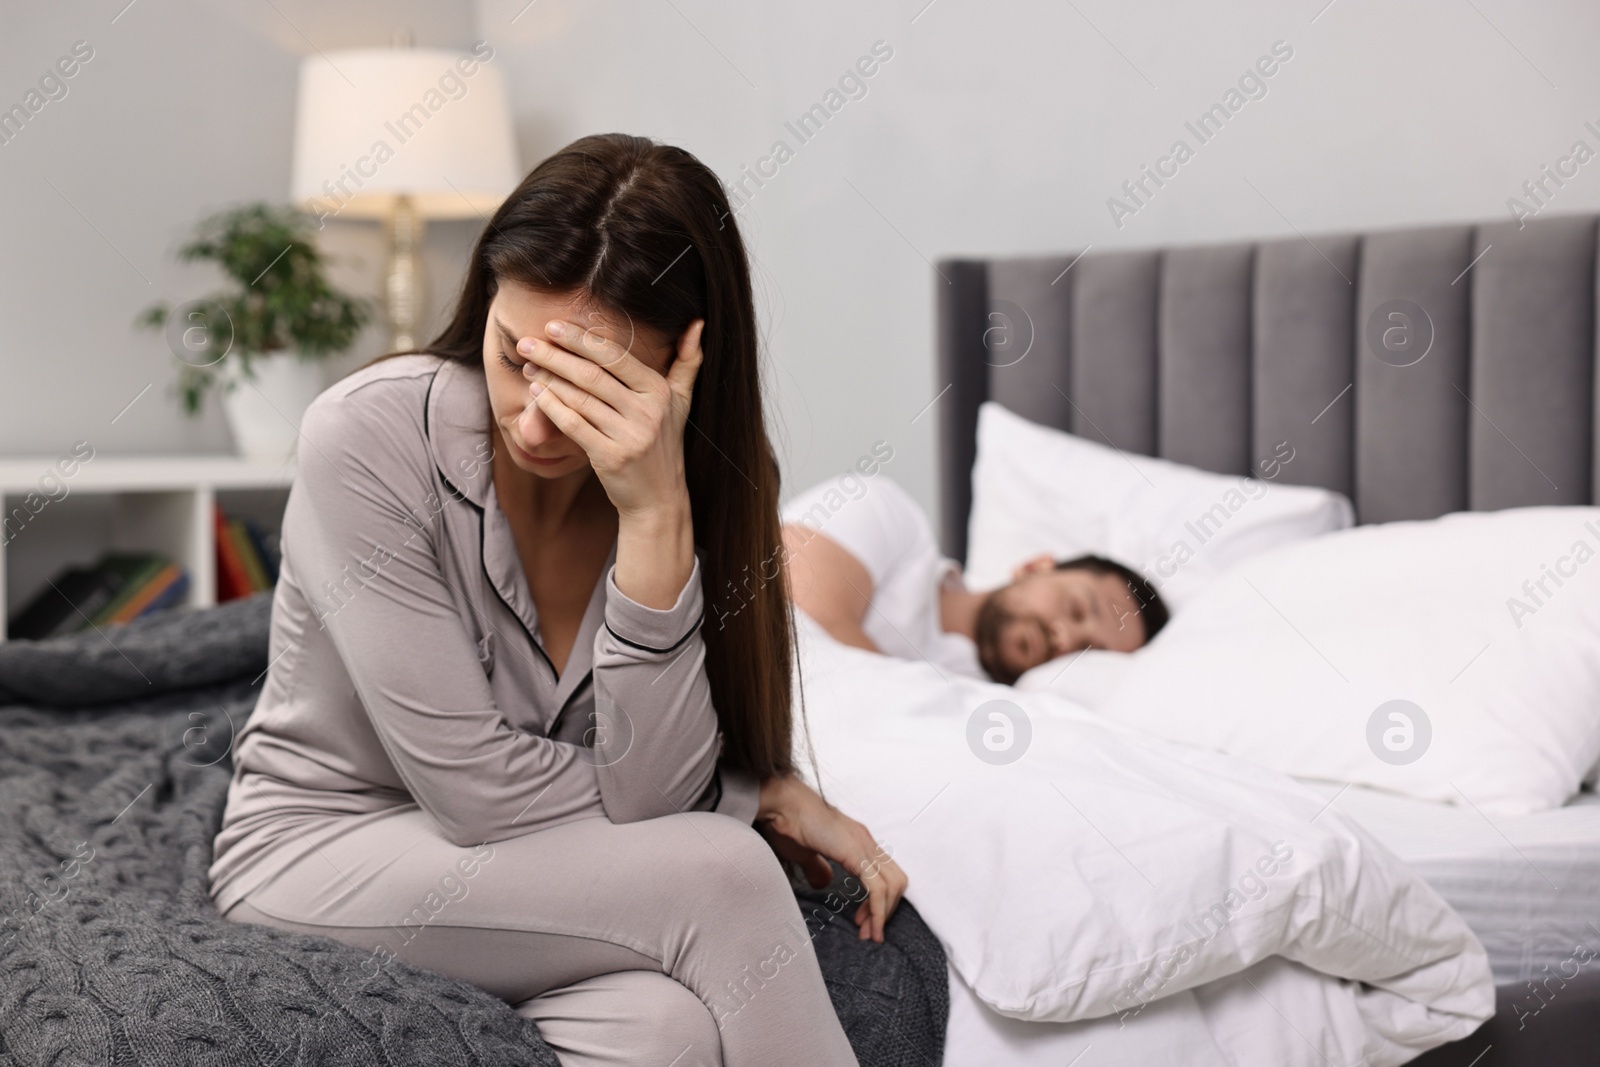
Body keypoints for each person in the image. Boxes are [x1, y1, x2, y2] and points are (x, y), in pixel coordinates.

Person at [208, 133, 905, 1067]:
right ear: (488, 301)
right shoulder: (366, 435)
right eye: (515, 357)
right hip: (318, 848)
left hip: (523, 879)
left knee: (667, 1031)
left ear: (680, 371)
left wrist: (655, 515)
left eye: (591, 387)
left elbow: (651, 795)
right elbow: (475, 789)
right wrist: (746, 796)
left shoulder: (714, 491)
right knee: (724, 874)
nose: (535, 421)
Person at [781, 474, 1170, 684]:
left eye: (1089, 651)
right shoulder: (888, 516)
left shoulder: (991, 714)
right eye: (1076, 609)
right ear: (1034, 566)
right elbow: (799, 621)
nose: (1065, 639)